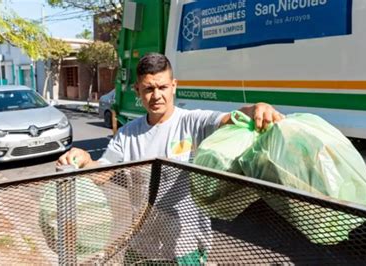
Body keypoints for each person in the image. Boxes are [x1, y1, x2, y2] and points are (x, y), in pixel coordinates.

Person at [56, 52, 284, 263]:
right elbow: (103, 173)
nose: (156, 95)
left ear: (173, 86)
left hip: (185, 249)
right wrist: (85, 159)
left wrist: (255, 108)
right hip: (140, 245)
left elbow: (229, 119)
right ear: (137, 90)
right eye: (148, 89)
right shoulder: (127, 133)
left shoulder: (193, 122)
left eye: (163, 87)